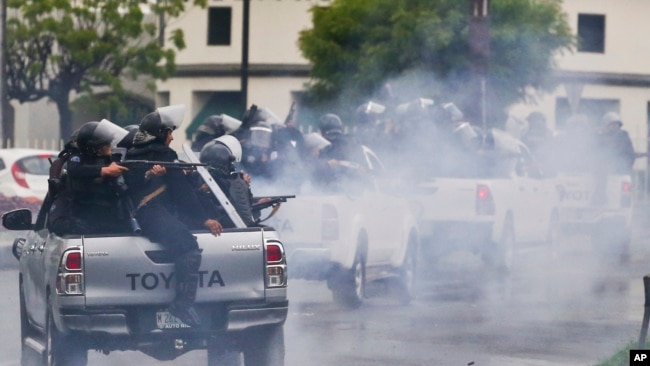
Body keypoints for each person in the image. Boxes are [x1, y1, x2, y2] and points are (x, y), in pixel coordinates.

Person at [123, 104, 223, 327]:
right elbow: (181, 193)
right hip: (153, 213)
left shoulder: (133, 154)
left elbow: (130, 184)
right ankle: (182, 305)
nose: (171, 138)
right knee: (188, 245)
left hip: (150, 213)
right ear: (161, 134)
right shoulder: (163, 154)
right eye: (169, 133)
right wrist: (204, 219)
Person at [49, 120, 131, 235]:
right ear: (94, 148)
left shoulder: (113, 160)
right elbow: (75, 170)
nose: (110, 146)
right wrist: (104, 171)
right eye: (106, 144)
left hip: (112, 221)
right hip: (85, 221)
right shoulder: (77, 160)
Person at [199, 139, 260, 227]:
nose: (231, 167)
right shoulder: (210, 180)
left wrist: (257, 200)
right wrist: (242, 184)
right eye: (228, 163)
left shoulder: (205, 178)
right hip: (221, 224)